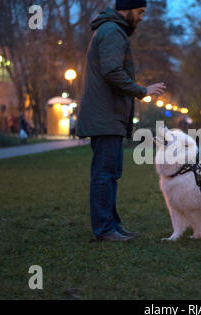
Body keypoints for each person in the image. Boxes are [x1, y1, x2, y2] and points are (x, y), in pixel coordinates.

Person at [76, 0, 166, 242]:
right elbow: (112, 71)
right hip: (105, 117)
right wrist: (141, 90)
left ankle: (112, 225)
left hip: (109, 117)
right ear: (126, 10)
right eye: (140, 12)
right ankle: (105, 230)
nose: (142, 17)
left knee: (110, 173)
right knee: (104, 174)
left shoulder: (111, 29)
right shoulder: (112, 31)